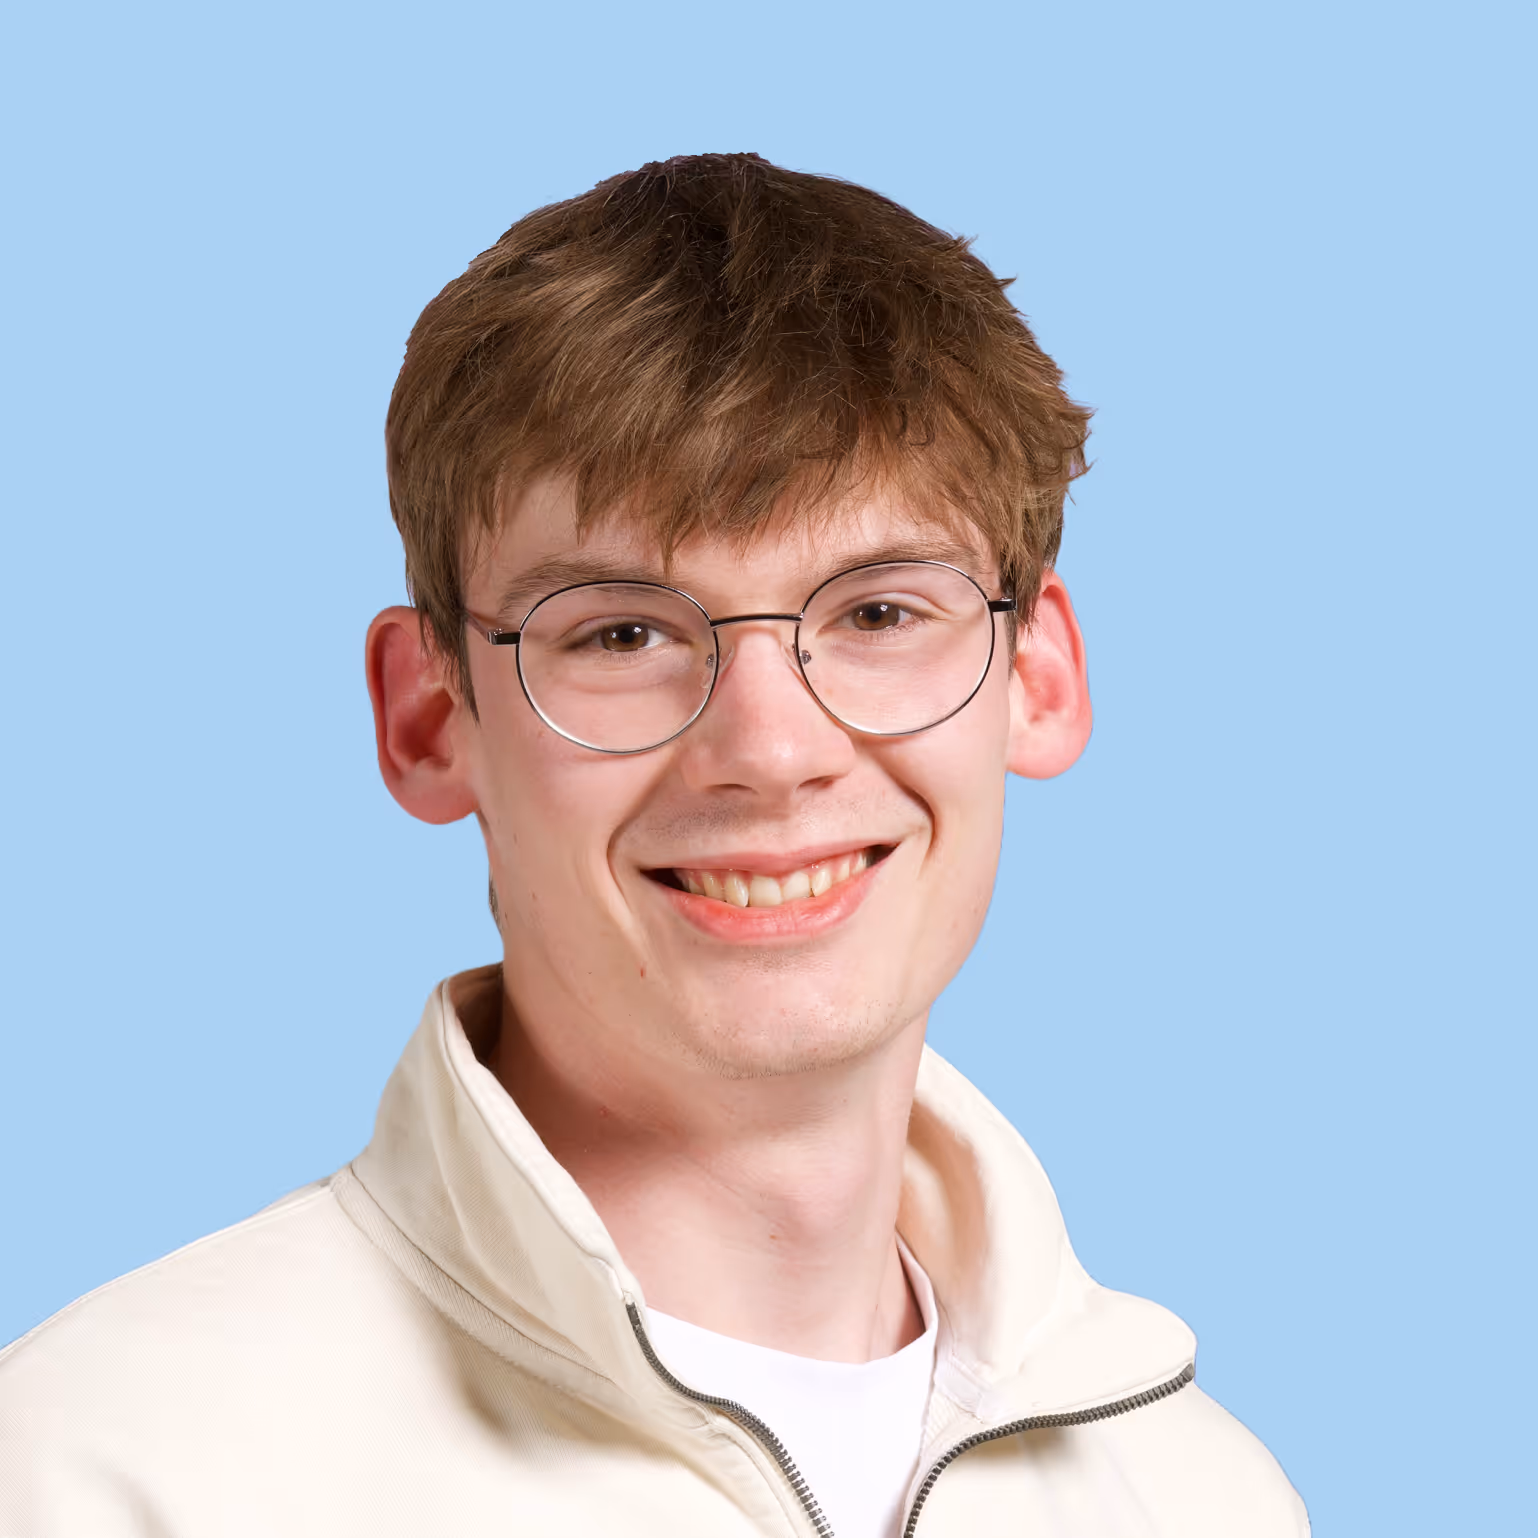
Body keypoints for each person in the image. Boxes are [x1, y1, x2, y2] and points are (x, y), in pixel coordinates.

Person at [0, 152, 1308, 1537]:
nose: (769, 747)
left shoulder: (1193, 1493)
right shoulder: (107, 1470)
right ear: (430, 719)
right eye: (622, 632)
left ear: (1037, 675)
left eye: (877, 614)